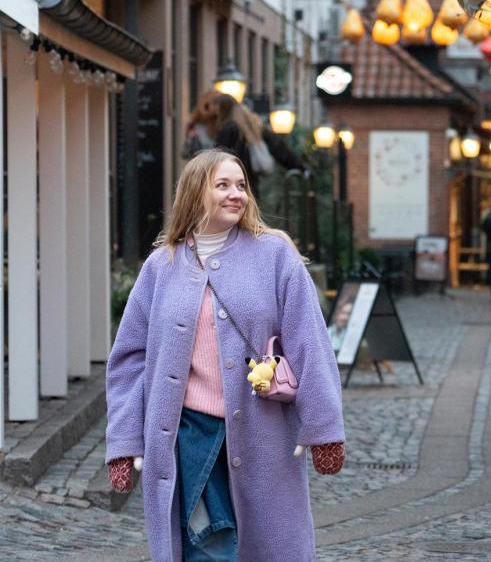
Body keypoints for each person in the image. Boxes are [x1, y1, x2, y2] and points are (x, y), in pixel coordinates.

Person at [105, 149, 345, 561]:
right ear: (196, 193)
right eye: (223, 185)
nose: (236, 194)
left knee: (265, 544)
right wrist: (124, 441)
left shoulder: (275, 255)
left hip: (262, 433)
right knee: (207, 546)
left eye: (241, 186)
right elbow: (129, 359)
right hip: (187, 436)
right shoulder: (160, 267)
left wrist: (324, 427)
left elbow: (310, 342)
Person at [213, 94, 305, 195]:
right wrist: (301, 167)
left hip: (233, 186)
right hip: (250, 185)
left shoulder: (229, 128)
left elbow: (217, 157)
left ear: (223, 109)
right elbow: (279, 148)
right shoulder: (254, 125)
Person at [181, 90, 221, 160]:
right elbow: (187, 154)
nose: (217, 107)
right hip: (201, 167)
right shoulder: (195, 127)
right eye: (215, 103)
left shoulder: (225, 126)